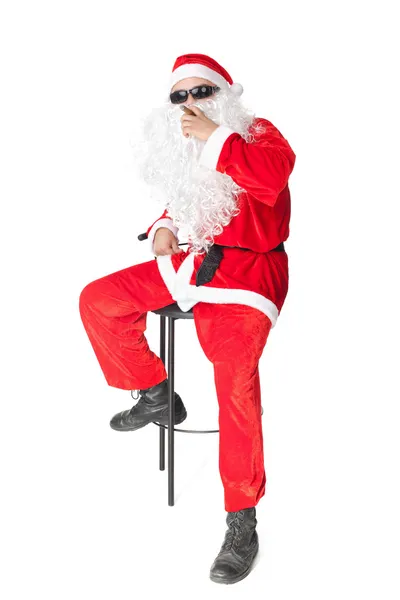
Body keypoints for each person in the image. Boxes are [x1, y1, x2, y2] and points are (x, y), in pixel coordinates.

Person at [79, 53, 296, 585]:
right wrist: (161, 229)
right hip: (191, 262)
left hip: (247, 274)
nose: (190, 104)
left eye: (201, 92)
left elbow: (270, 178)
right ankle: (155, 391)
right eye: (180, 96)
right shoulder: (183, 148)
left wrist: (218, 136)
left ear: (225, 93)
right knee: (98, 300)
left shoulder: (257, 132)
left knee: (235, 385)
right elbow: (183, 205)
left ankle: (242, 520)